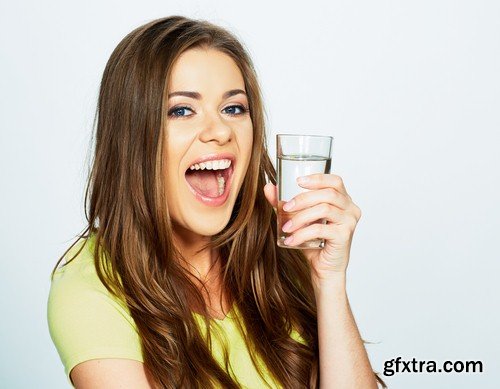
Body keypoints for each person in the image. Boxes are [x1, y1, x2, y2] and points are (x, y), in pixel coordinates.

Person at [47, 15, 386, 389]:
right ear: (133, 139)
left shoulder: (275, 256)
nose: (221, 131)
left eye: (234, 108)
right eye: (181, 110)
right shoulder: (90, 288)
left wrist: (329, 280)